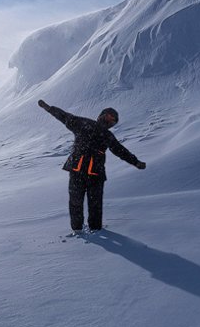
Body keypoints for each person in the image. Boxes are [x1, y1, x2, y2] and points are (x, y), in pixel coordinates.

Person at [38, 99, 146, 234]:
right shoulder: (83, 123)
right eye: (108, 116)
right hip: (77, 170)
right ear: (101, 115)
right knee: (75, 202)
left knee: (95, 204)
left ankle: (96, 230)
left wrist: (135, 162)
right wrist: (49, 108)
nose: (109, 120)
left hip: (96, 174)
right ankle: (77, 230)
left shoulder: (108, 135)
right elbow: (65, 116)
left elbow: (121, 151)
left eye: (113, 120)